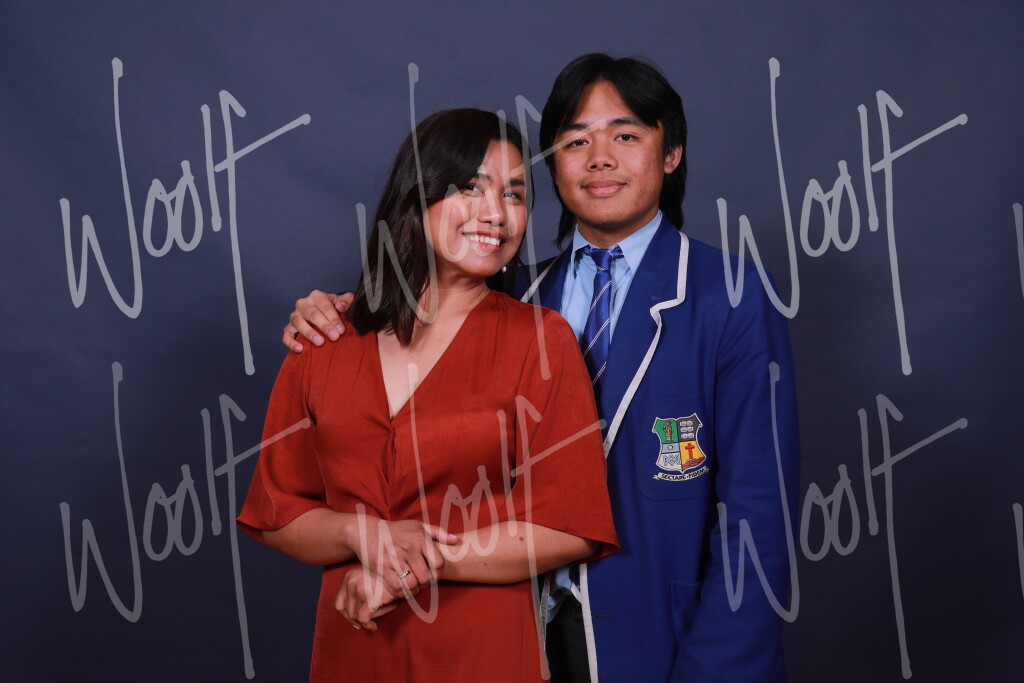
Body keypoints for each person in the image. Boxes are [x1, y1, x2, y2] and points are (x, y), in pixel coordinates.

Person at [283, 54, 800, 682]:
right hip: (504, 637)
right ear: (553, 164)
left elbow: (758, 515)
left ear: (671, 153)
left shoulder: (731, 295)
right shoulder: (510, 295)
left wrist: (717, 670)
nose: (600, 158)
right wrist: (339, 311)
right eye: (576, 141)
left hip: (659, 639)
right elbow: (412, 315)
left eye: (626, 136)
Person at [239, 108, 618, 682]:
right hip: (354, 647)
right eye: (472, 187)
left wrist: (412, 564)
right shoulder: (325, 339)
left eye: (515, 195)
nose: (497, 214)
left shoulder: (540, 340)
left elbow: (570, 524)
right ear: (416, 196)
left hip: (483, 653)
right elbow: (275, 512)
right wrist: (359, 533)